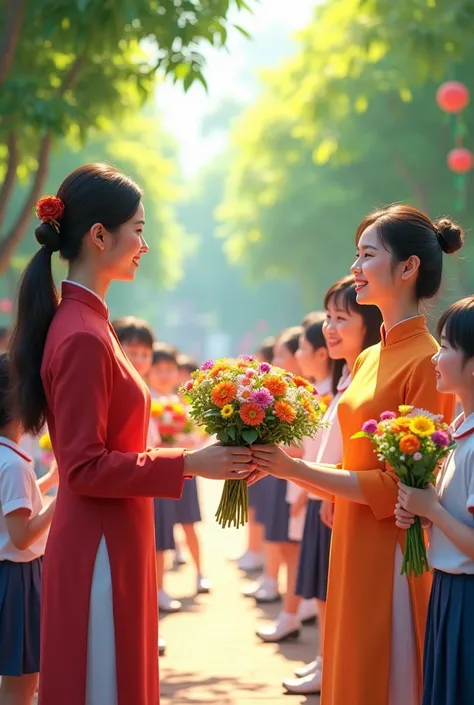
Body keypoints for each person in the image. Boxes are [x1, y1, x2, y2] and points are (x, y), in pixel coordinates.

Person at [8, 163, 254, 705]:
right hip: (99, 540)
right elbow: (84, 466)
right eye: (138, 229)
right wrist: (189, 463)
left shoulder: (89, 324)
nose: (144, 244)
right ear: (100, 235)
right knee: (102, 681)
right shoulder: (81, 335)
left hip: (113, 532)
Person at [252, 205, 461, 705]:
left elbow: (404, 488)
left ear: (408, 268)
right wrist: (305, 472)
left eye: (367, 255)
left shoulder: (428, 362)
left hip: (391, 549)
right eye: (356, 254)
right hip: (348, 533)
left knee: (384, 676)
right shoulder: (369, 356)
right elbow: (354, 463)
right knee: (348, 665)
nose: (355, 268)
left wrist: (294, 469)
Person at [283, 276, 382, 695]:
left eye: (342, 318)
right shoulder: (349, 378)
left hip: (348, 504)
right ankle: (326, 660)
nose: (329, 326)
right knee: (325, 592)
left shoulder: (367, 380)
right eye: (328, 316)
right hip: (331, 501)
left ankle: (329, 662)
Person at [396, 296, 474, 705]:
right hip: (448, 589)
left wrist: (431, 510)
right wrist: (423, 514)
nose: (435, 358)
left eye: (445, 347)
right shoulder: (457, 432)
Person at [0, 353, 57, 705]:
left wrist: (53, 479)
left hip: (10, 576)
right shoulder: (14, 465)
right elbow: (22, 537)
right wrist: (63, 502)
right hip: (19, 579)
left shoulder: (9, 458)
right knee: (21, 685)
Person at [149, 342, 210, 598]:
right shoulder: (146, 400)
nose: (164, 375)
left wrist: (191, 442)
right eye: (158, 369)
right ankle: (159, 588)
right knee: (160, 532)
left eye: (169, 369)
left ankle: (200, 573)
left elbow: (200, 434)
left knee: (189, 524)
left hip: (185, 470)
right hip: (158, 474)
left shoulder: (181, 403)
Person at [238, 336, 276, 573]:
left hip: (271, 465)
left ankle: (257, 553)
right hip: (260, 460)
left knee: (266, 516)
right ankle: (252, 550)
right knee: (254, 510)